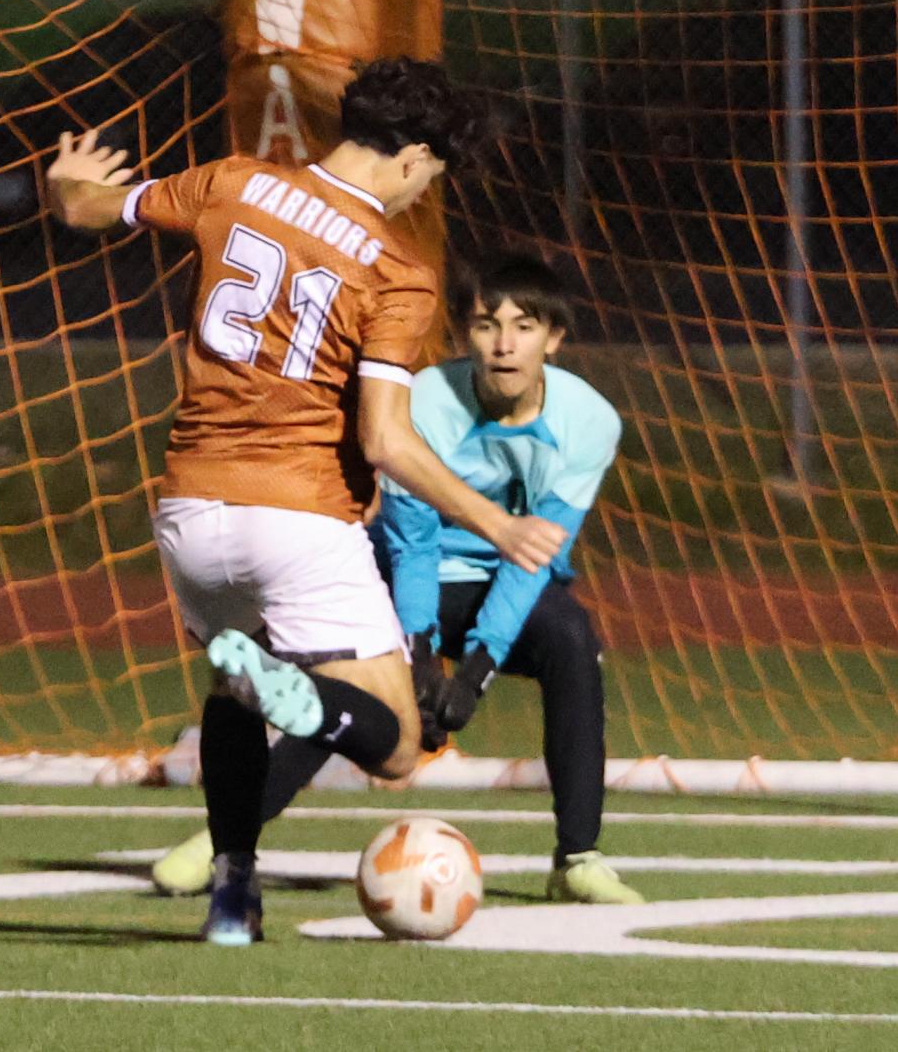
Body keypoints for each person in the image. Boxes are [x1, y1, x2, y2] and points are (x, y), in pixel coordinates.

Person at [46, 58, 566, 944]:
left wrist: (65, 184)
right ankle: (311, 703)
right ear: (411, 157)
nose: (425, 191)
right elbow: (385, 441)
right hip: (297, 519)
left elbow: (88, 208)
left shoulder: (232, 182)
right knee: (398, 745)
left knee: (237, 692)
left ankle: (232, 894)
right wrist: (495, 522)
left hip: (188, 515)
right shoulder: (397, 272)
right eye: (432, 174)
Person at [151, 253, 642, 905]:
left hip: (502, 586)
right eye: (486, 324)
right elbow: (414, 545)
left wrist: (474, 672)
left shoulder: (590, 422)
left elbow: (534, 556)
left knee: (572, 640)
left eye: (524, 326)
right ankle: (224, 843)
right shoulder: (428, 402)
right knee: (348, 693)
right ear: (466, 334)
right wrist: (416, 660)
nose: (503, 343)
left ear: (553, 339)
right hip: (408, 578)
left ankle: (577, 857)